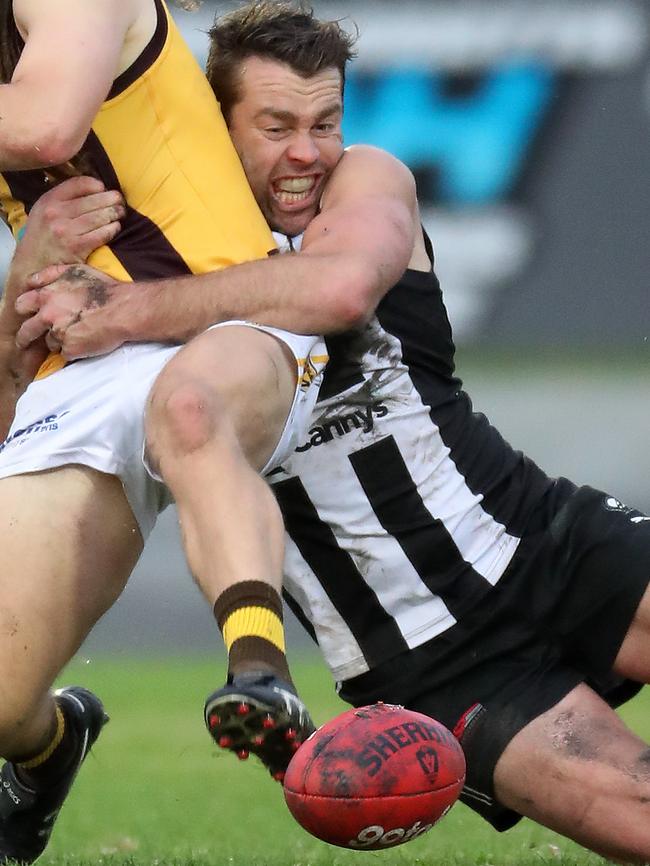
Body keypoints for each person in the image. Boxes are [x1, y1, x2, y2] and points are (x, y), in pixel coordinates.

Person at [13, 2, 650, 863]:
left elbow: (343, 290)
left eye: (326, 122)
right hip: (431, 663)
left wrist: (129, 313)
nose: (308, 152)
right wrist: (31, 287)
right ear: (213, 126)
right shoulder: (154, 248)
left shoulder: (366, 181)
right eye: (275, 126)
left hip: (544, 542)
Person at [0, 1, 335, 861]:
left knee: (187, 409)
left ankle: (261, 674)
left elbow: (43, 127)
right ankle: (46, 746)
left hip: (222, 312)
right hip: (83, 362)